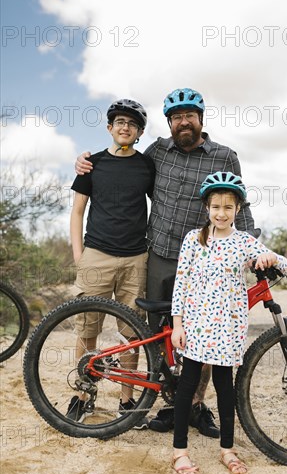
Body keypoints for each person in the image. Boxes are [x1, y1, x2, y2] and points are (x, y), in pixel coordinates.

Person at [75, 88, 260, 437]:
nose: (183, 121)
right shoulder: (157, 151)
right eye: (176, 117)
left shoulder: (225, 156)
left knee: (204, 333)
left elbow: (242, 208)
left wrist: (253, 249)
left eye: (189, 115)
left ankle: (195, 406)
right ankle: (170, 403)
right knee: (162, 333)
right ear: (169, 123)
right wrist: (86, 162)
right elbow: (122, 163)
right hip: (158, 253)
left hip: (205, 258)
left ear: (201, 119)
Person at [170, 171, 287, 474]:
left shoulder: (243, 242)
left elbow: (282, 262)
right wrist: (177, 324)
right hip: (196, 325)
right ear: (207, 208)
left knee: (225, 387)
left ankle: (227, 448)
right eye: (215, 206)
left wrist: (266, 256)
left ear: (238, 209)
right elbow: (181, 284)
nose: (221, 213)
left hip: (228, 327)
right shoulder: (194, 240)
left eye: (228, 207)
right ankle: (180, 452)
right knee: (188, 386)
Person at [68, 99, 155, 427]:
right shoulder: (93, 163)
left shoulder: (147, 166)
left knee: (131, 333)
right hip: (97, 254)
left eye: (132, 124)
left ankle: (127, 401)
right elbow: (77, 211)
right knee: (87, 328)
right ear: (109, 127)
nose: (124, 127)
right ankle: (83, 394)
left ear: (139, 132)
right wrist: (80, 257)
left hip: (135, 257)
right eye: (119, 122)